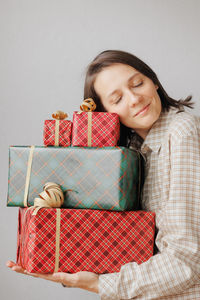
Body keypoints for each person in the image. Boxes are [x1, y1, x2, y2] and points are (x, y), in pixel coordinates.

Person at [7, 50, 200, 299]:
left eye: (138, 83)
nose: (134, 99)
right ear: (105, 113)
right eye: (117, 98)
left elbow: (186, 261)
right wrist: (60, 257)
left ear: (154, 80)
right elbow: (122, 240)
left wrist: (100, 284)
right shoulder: (130, 152)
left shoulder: (182, 132)